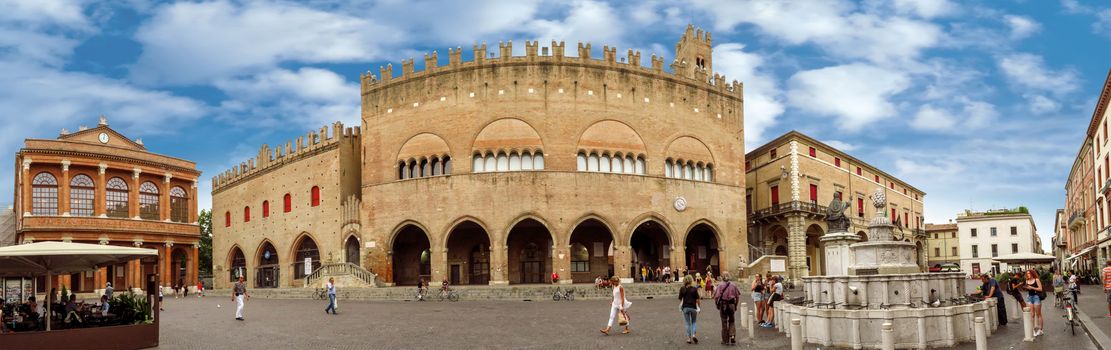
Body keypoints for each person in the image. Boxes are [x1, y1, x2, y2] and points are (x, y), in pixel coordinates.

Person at [713, 272, 740, 345]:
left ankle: (725, 340)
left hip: (723, 304)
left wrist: (717, 305)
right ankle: (732, 336)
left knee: (724, 322)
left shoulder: (720, 285)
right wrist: (736, 305)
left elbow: (716, 297)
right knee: (732, 321)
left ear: (722, 277)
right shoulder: (733, 285)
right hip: (731, 304)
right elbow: (737, 296)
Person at [678, 275, 701, 344]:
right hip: (693, 307)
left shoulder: (682, 289)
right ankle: (694, 334)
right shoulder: (694, 289)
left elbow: (680, 298)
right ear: (691, 281)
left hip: (685, 307)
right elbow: (698, 300)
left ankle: (689, 338)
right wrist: (699, 307)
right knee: (694, 322)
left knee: (688, 323)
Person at [1024, 269, 1044, 336]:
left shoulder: (1036, 280)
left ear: (1032, 274)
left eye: (1029, 273)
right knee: (1032, 315)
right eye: (1027, 273)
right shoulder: (1026, 281)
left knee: (1038, 314)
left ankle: (1040, 330)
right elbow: (1027, 289)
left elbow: (1040, 289)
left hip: (1036, 297)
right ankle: (1032, 330)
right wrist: (1026, 288)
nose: (1028, 274)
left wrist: (1031, 287)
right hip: (1029, 297)